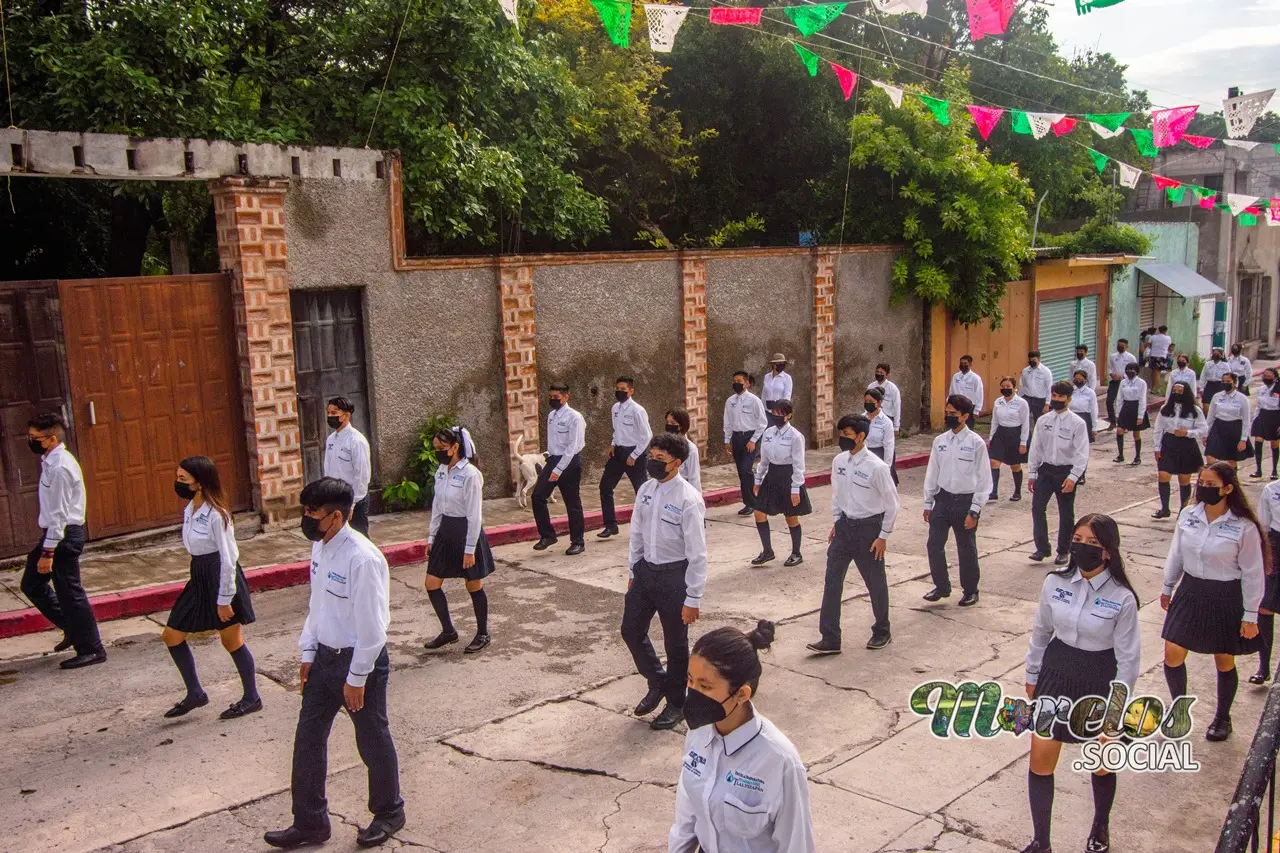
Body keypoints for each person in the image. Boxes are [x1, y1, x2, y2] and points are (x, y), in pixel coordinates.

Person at [266, 478, 404, 849]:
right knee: (308, 740)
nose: (307, 519)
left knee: (372, 738)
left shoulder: (362, 558)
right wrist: (308, 652)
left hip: (359, 663)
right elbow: (318, 606)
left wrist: (357, 677)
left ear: (338, 516)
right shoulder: (320, 547)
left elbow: (374, 629)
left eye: (313, 513)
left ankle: (389, 811)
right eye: (306, 511)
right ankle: (310, 822)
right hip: (325, 658)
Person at [1021, 514, 1140, 853]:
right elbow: (1041, 632)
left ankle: (1100, 827)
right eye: (1077, 539)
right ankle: (1041, 840)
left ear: (1107, 552)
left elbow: (1129, 660)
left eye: (1092, 543)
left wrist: (1115, 711)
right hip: (1056, 672)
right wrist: (1032, 676)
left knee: (1102, 762)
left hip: (1098, 677)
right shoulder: (1054, 582)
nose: (1081, 547)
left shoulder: (1122, 598)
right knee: (1040, 758)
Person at [669, 622, 815, 853]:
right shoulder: (699, 733)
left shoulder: (779, 761)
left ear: (741, 694)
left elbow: (796, 845)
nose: (693, 693)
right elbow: (687, 817)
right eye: (690, 680)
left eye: (705, 686)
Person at [1161, 462, 1268, 742]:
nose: (1204, 489)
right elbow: (1177, 554)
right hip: (1191, 590)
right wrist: (1167, 585)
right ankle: (1179, 711)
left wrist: (1250, 614)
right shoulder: (1188, 515)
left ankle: (1223, 717)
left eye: (1211, 485)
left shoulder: (1243, 527)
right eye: (1201, 484)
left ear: (1228, 488)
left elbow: (1253, 572)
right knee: (1172, 651)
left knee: (1223, 659)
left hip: (1226, 595)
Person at [162, 456, 260, 719]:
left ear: (201, 483)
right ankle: (195, 693)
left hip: (221, 577)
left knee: (231, 640)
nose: (178, 482)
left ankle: (252, 697)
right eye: (178, 476)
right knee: (171, 635)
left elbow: (229, 559)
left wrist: (225, 599)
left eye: (184, 479)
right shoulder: (190, 510)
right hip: (199, 576)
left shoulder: (218, 515)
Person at [622, 433, 707, 731]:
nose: (653, 463)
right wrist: (634, 572)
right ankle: (657, 681)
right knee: (630, 631)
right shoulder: (646, 489)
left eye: (661, 460)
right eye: (652, 457)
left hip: (675, 577)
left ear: (677, 463)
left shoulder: (689, 500)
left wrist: (693, 598)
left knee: (675, 644)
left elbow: (698, 554)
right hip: (646, 572)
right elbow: (636, 532)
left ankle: (676, 703)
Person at [808, 414, 899, 654]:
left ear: (861, 436)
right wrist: (837, 522)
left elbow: (893, 505)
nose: (843, 439)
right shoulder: (839, 461)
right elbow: (837, 495)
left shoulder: (877, 467)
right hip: (844, 528)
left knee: (875, 582)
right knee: (832, 581)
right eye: (841, 434)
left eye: (847, 435)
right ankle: (830, 638)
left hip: (870, 531)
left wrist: (883, 536)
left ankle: (882, 630)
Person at [21, 412, 104, 669]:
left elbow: (58, 515)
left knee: (70, 592)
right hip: (56, 534)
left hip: (62, 535)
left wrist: (48, 553)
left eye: (36, 438)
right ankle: (72, 627)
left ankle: (92, 648)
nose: (31, 441)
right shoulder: (50, 461)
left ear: (52, 438)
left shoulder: (60, 468)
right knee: (32, 584)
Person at [423, 426, 494, 654]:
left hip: (466, 531)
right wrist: (432, 537)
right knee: (431, 583)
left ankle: (483, 633)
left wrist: (469, 549)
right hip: (445, 530)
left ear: (456, 447)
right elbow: (437, 506)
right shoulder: (441, 471)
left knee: (473, 583)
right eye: (436, 449)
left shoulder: (471, 474)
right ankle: (448, 631)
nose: (439, 453)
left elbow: (475, 515)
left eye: (442, 448)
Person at [922, 395, 991, 606]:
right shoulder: (940, 441)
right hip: (942, 500)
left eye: (953, 414)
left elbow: (984, 479)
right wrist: (928, 502)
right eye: (947, 412)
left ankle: (970, 590)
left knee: (966, 548)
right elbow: (932, 472)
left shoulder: (976, 443)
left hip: (965, 502)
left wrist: (975, 510)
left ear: (965, 416)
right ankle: (942, 587)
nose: (949, 416)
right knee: (934, 545)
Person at [1028, 382, 1091, 567]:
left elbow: (1082, 453)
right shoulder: (1043, 421)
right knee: (1037, 508)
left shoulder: (1077, 423)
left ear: (1069, 399)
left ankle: (1063, 551)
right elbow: (1036, 448)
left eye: (1060, 397)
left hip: (1066, 471)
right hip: (1046, 470)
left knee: (1066, 513)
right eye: (1054, 396)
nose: (1056, 400)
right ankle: (1042, 548)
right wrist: (1032, 473)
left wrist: (1073, 478)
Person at [752, 400, 812, 567]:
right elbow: (763, 459)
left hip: (788, 476)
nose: (776, 416)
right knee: (759, 512)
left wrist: (795, 489)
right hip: (772, 475)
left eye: (780, 414)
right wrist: (758, 479)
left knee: (791, 517)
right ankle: (767, 551)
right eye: (774, 413)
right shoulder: (768, 433)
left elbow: (799, 465)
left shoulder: (795, 436)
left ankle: (796, 552)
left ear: (788, 415)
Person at [532, 383, 587, 555]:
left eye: (556, 397)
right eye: (551, 397)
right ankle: (548, 535)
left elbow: (573, 446)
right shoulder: (551, 416)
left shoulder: (575, 417)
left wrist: (559, 469)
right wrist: (550, 461)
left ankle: (578, 541)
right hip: (554, 459)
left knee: (572, 503)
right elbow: (553, 442)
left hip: (569, 462)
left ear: (565, 397)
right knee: (537, 496)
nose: (553, 400)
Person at [598, 377, 652, 539]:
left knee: (642, 492)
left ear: (631, 391)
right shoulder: (615, 408)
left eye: (623, 389)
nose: (619, 392)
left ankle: (647, 527)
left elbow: (647, 435)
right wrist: (613, 443)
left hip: (635, 454)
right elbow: (617, 430)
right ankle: (610, 525)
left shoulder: (638, 410)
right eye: (617, 388)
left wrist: (634, 455)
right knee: (605, 487)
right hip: (618, 452)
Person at [1152, 382, 1207, 519]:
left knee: (1184, 479)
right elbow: (1158, 429)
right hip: (1169, 443)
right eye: (1174, 391)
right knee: (1163, 475)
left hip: (1186, 445)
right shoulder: (1165, 408)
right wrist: (1156, 448)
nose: (1177, 394)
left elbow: (1203, 429)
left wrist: (1187, 432)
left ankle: (1183, 509)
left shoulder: (1194, 410)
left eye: (1180, 391)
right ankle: (1165, 508)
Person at [323, 397, 373, 537]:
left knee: (359, 538)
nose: (330, 416)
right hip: (336, 498)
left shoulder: (357, 441)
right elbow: (328, 469)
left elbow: (362, 475)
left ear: (346, 415)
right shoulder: (331, 440)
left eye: (335, 413)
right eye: (329, 413)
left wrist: (352, 504)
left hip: (354, 499)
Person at [724, 371, 769, 517]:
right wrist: (727, 441)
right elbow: (728, 422)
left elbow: (762, 423)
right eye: (734, 381)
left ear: (747, 383)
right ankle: (749, 501)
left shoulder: (754, 401)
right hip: (737, 438)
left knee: (746, 470)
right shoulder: (730, 401)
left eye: (740, 381)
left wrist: (753, 440)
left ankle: (752, 503)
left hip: (749, 438)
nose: (736, 384)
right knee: (741, 472)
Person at [1253, 478, 1280, 684]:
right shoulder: (1271, 489)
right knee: (1265, 607)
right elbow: (1263, 525)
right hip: (1276, 547)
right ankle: (1264, 666)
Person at [988, 376, 1030, 502]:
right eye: (1003, 387)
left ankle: (1017, 492)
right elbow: (994, 420)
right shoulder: (998, 402)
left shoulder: (1021, 403)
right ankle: (993, 491)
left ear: (1014, 388)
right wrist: (991, 437)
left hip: (1015, 434)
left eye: (1008, 387)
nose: (1005, 389)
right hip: (1000, 434)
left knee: (1015, 465)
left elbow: (1025, 423)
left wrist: (1023, 442)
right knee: (994, 462)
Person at [1205, 373, 1252, 469]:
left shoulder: (1242, 399)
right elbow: (1210, 417)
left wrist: (1243, 439)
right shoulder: (1217, 396)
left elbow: (1246, 420)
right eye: (1223, 381)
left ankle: (1232, 481)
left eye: (1228, 381)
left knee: (1231, 460)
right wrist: (1206, 433)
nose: (1225, 383)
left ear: (1234, 383)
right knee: (1210, 456)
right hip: (1218, 427)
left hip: (1234, 428)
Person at [1112, 362, 1149, 466]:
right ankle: (1120, 455)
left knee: (1136, 434)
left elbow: (1142, 399)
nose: (1129, 372)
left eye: (1132, 370)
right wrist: (1118, 414)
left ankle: (1137, 456)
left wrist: (1140, 416)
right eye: (1128, 369)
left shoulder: (1141, 383)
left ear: (1137, 371)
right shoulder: (1123, 382)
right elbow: (1119, 398)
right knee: (1120, 430)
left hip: (1136, 407)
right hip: (1126, 407)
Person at [1069, 368, 1100, 483]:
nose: (1078, 381)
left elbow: (1094, 410)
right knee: (1071, 447)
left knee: (1082, 448)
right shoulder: (1071, 391)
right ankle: (1072, 472)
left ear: (1085, 380)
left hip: (1085, 419)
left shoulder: (1090, 393)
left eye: (1080, 379)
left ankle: (1082, 474)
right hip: (1072, 419)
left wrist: (1094, 427)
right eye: (1076, 379)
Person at [864, 387, 898, 486]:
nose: (867, 403)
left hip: (879, 456)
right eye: (865, 401)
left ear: (879, 403)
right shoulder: (861, 418)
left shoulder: (886, 422)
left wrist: (886, 467)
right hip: (864, 455)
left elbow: (889, 446)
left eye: (871, 401)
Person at [1251, 369, 1280, 480]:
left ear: (1275, 377)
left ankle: (1274, 470)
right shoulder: (1261, 390)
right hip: (1262, 416)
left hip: (1275, 417)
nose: (1266, 377)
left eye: (1269, 376)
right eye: (1265, 375)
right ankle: (1258, 470)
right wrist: (1255, 419)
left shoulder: (1278, 389)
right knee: (1258, 440)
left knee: (1274, 443)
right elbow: (1258, 406)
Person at [666, 407, 702, 493]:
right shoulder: (664, 444)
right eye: (667, 422)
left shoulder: (691, 449)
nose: (669, 425)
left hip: (681, 491)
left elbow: (694, 477)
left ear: (681, 425)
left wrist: (697, 498)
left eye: (673, 423)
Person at [1105, 339, 1137, 429]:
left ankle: (1124, 423)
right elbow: (1109, 368)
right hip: (1115, 382)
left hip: (1126, 382)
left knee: (1124, 402)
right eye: (1119, 345)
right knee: (1109, 401)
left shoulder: (1131, 358)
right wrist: (1112, 375)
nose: (1120, 347)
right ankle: (1112, 421)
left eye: (1122, 346)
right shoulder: (1113, 356)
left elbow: (1135, 370)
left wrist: (1124, 377)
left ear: (1127, 347)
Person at [1020, 351, 1053, 431]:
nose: (1031, 361)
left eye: (1034, 359)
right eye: (1030, 359)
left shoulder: (1046, 371)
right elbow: (1022, 385)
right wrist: (1020, 398)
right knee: (1023, 420)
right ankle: (1027, 441)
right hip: (1027, 398)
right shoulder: (1025, 371)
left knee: (1039, 422)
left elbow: (1049, 388)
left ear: (1038, 359)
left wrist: (1047, 404)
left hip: (1040, 400)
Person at [867, 363, 902, 432]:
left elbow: (897, 407)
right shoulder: (871, 386)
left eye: (881, 372)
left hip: (888, 418)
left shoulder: (893, 388)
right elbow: (867, 403)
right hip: (873, 417)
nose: (879, 374)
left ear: (887, 375)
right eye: (877, 372)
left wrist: (896, 427)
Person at [1148, 325, 1172, 390]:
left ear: (1158, 330)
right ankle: (1156, 388)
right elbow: (1169, 346)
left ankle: (1153, 386)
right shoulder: (1168, 338)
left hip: (1153, 355)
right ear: (1166, 331)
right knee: (1158, 372)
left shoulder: (1153, 337)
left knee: (1153, 371)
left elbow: (1149, 345)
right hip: (1162, 356)